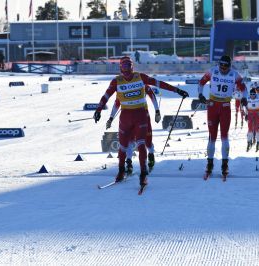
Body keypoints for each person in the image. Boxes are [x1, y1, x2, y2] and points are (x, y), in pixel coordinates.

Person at [93, 56, 188, 188]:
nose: (127, 70)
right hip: (125, 116)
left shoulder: (140, 77)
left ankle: (143, 174)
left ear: (132, 67)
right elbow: (106, 96)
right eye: (124, 67)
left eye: (129, 66)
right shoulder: (117, 81)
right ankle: (121, 171)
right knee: (123, 146)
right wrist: (98, 110)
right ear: (121, 68)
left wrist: (177, 90)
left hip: (140, 115)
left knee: (141, 143)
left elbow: (158, 83)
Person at [197, 55, 247, 179]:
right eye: (221, 65)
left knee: (224, 136)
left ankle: (225, 165)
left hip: (225, 107)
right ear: (219, 64)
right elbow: (201, 82)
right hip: (212, 106)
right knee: (212, 136)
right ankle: (209, 164)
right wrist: (200, 94)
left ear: (230, 66)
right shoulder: (212, 71)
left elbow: (244, 88)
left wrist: (244, 97)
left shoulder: (234, 74)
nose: (223, 68)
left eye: (226, 66)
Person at [106, 85, 161, 174]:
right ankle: (129, 163)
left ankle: (150, 154)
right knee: (129, 140)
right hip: (128, 116)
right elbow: (117, 103)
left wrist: (157, 111)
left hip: (143, 115)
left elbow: (152, 95)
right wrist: (111, 118)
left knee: (147, 141)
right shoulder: (122, 86)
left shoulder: (141, 84)